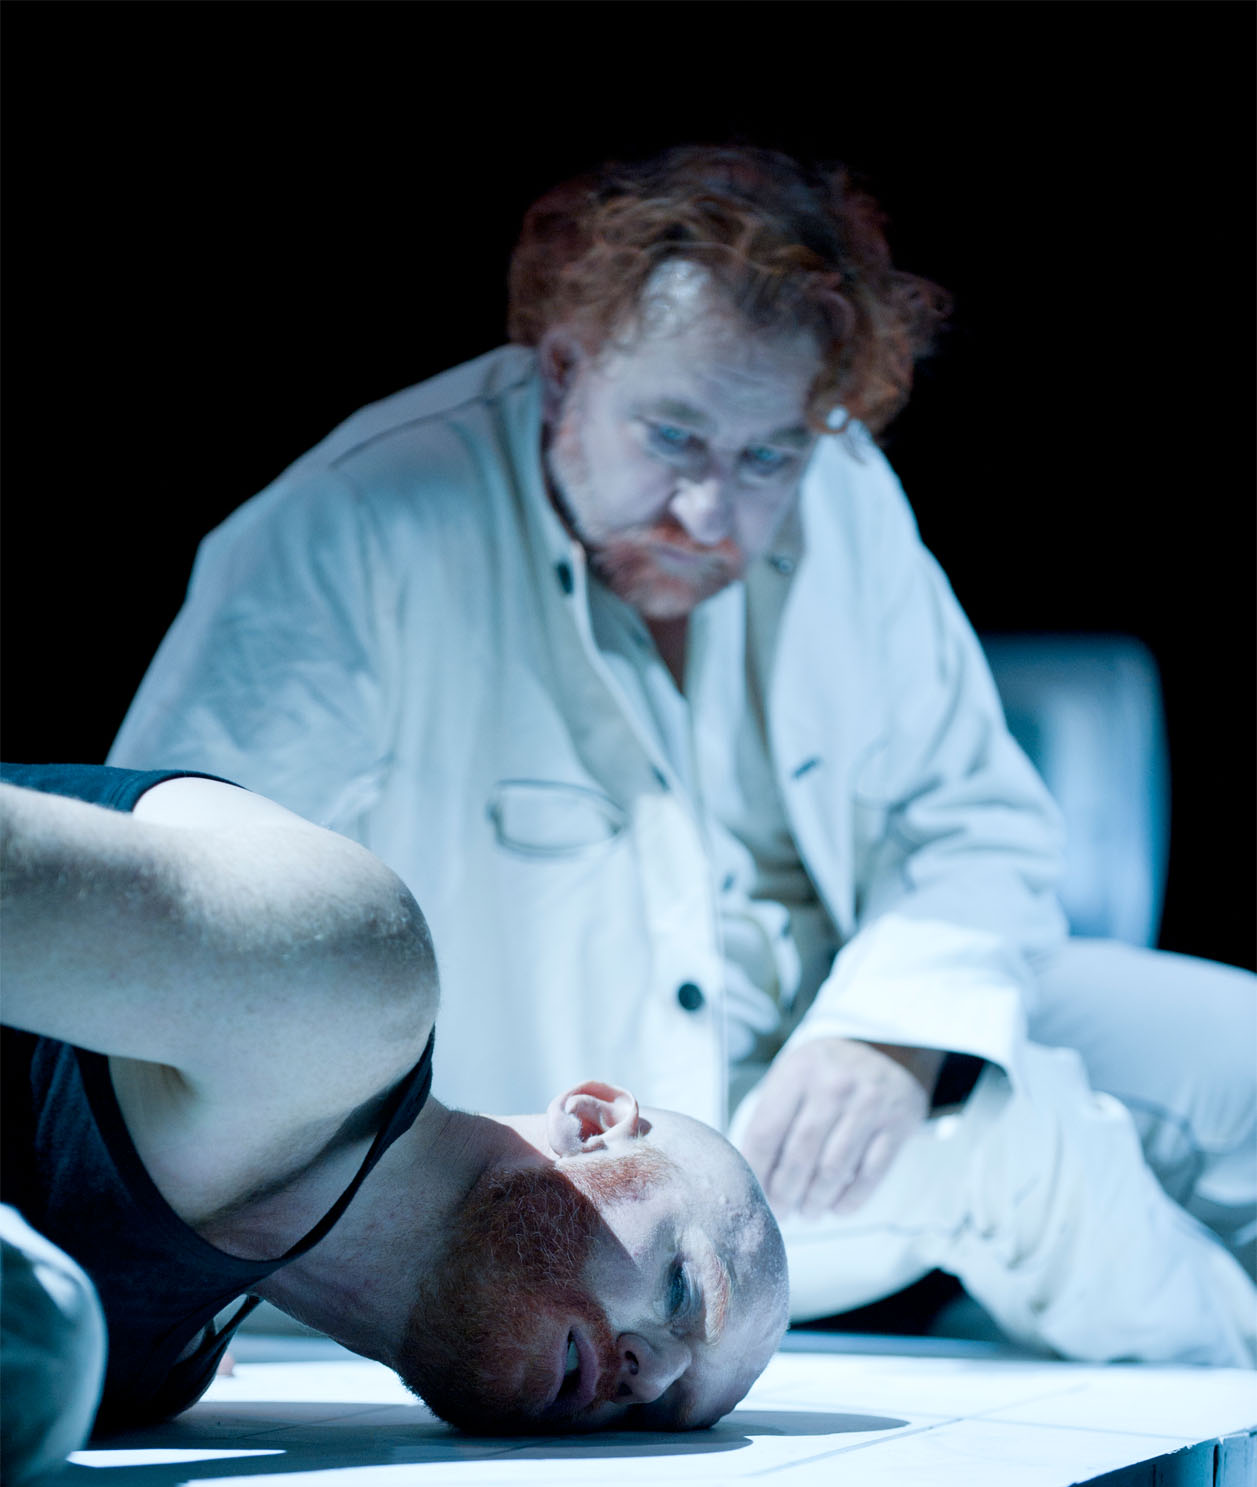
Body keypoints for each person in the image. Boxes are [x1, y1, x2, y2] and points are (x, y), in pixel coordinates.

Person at [108, 146, 1256, 1366]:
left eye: (767, 457)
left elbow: (976, 820)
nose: (710, 514)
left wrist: (889, 1033)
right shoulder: (357, 525)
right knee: (1032, 1154)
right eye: (673, 437)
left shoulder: (839, 486)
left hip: (851, 1022)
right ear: (564, 370)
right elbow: (187, 922)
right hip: (633, 1146)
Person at [0, 763, 790, 1485]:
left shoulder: (160, 1371)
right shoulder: (349, 982)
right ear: (590, 1125)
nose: (649, 1380)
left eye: (662, 1411)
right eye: (683, 1289)